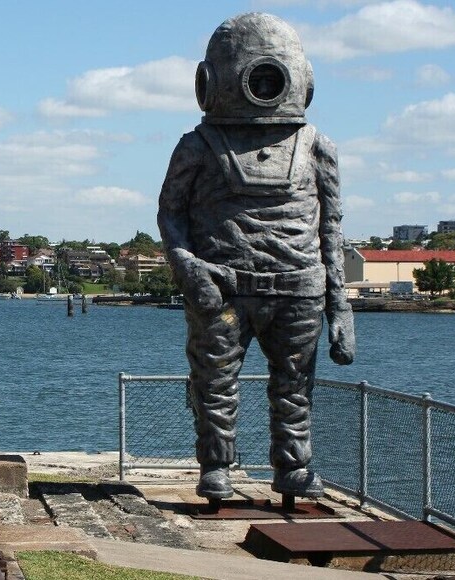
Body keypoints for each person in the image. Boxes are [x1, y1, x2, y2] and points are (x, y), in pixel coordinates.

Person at [157, 12, 356, 500]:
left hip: (297, 289)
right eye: (256, 75)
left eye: (271, 77)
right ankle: (216, 467)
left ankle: (293, 467)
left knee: (294, 387)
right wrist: (190, 270)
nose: (263, 86)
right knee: (215, 384)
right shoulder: (198, 145)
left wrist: (341, 307)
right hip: (223, 289)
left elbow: (331, 229)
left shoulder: (315, 147)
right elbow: (169, 216)